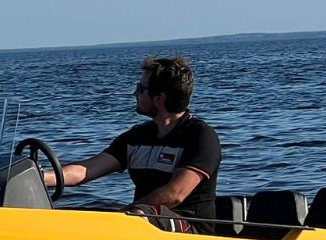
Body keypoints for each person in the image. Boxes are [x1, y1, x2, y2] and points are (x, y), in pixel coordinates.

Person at [44, 56, 221, 229]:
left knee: (136, 217)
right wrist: (39, 176)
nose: (134, 93)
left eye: (140, 88)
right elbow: (85, 170)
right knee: (76, 215)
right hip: (141, 217)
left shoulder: (201, 136)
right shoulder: (137, 137)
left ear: (159, 99)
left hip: (190, 229)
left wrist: (124, 215)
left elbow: (175, 194)